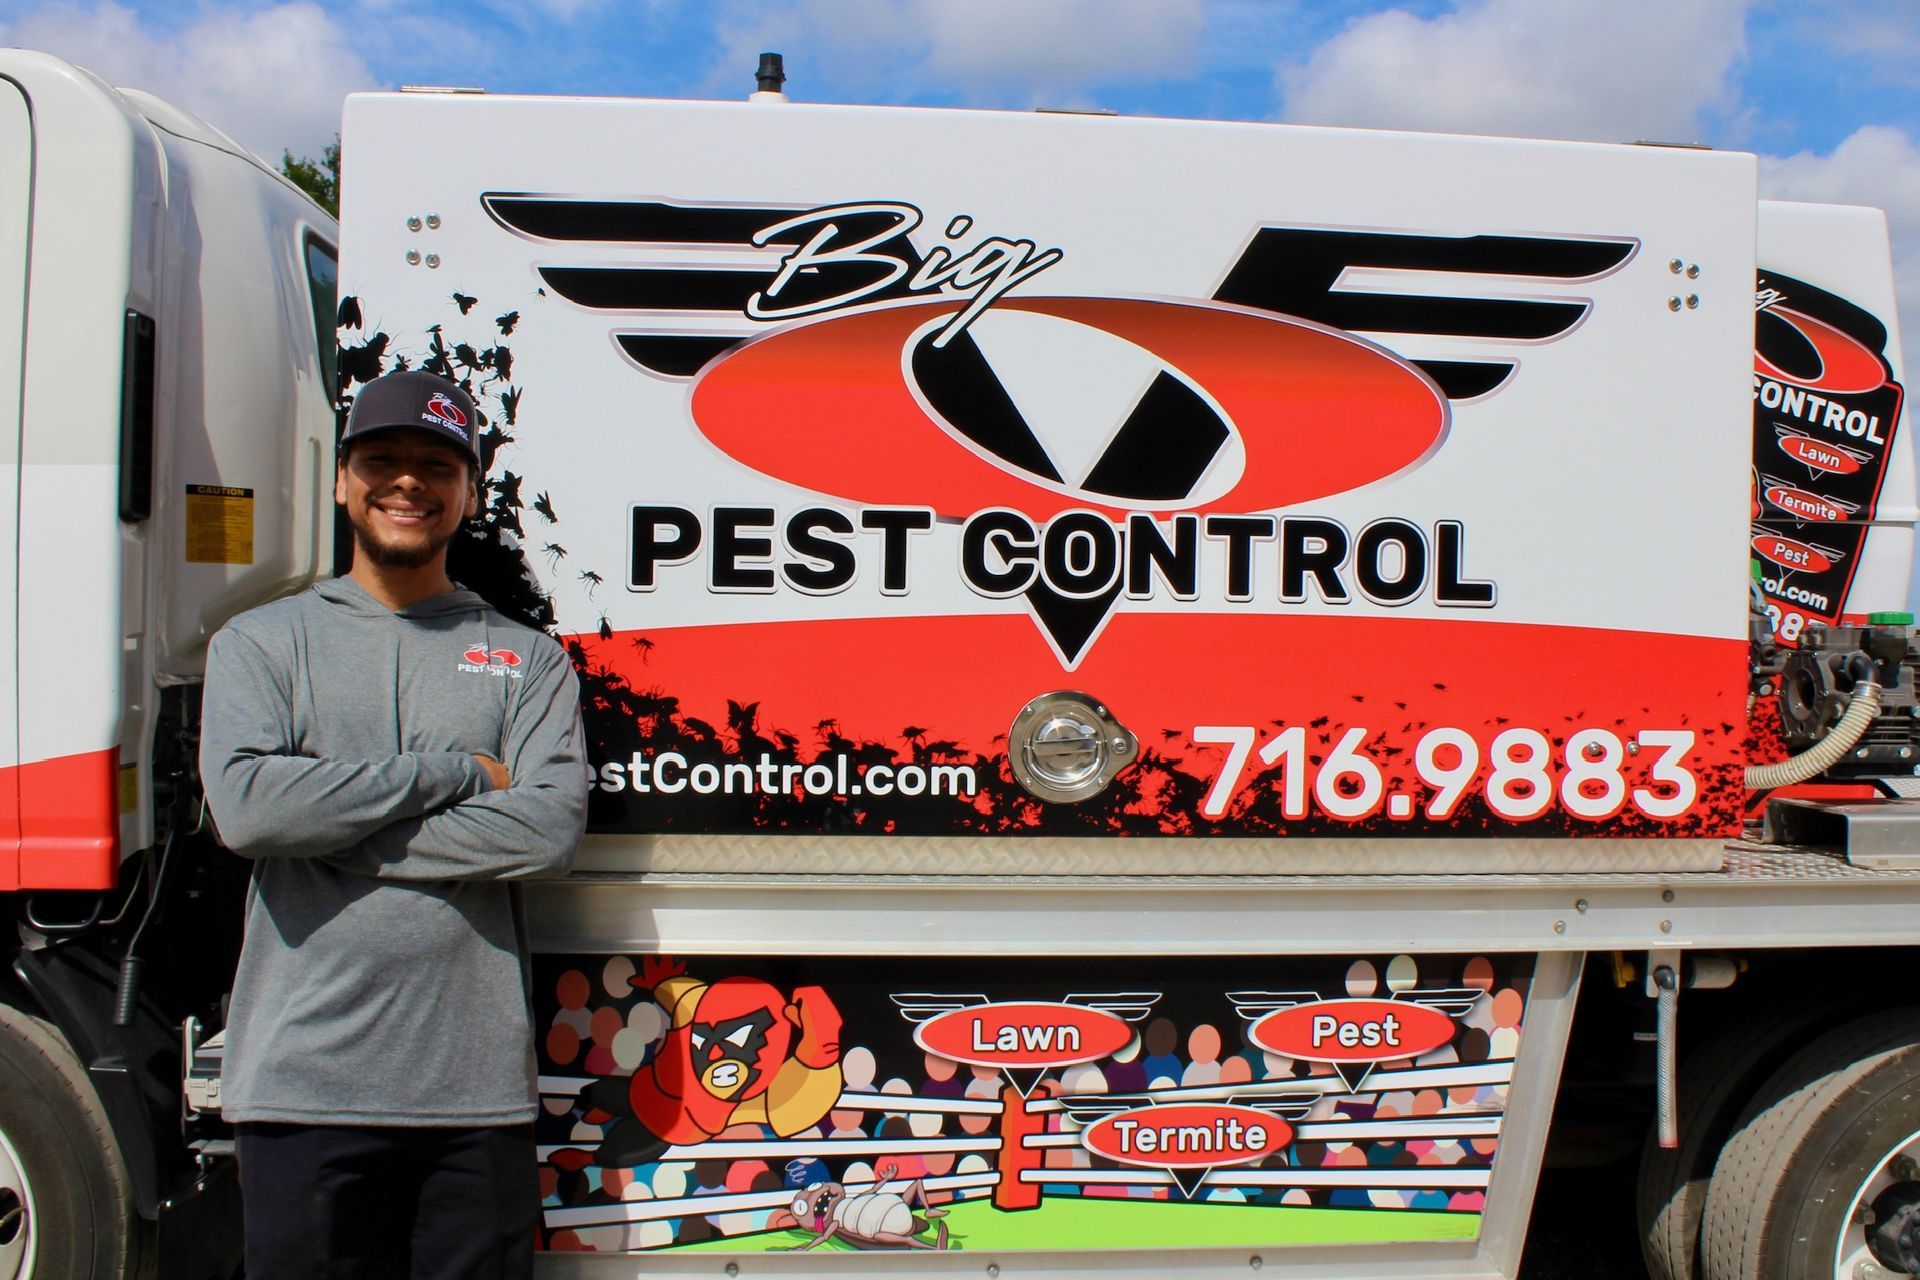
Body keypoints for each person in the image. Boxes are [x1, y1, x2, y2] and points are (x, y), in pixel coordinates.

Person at [199, 370, 589, 1280]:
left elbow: (544, 833)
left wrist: (327, 830)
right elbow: (253, 810)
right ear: (342, 480)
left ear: (469, 492)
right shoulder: (261, 643)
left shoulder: (525, 659)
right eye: (383, 460)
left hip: (471, 1100)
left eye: (434, 464)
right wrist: (452, 774)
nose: (407, 482)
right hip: (302, 1087)